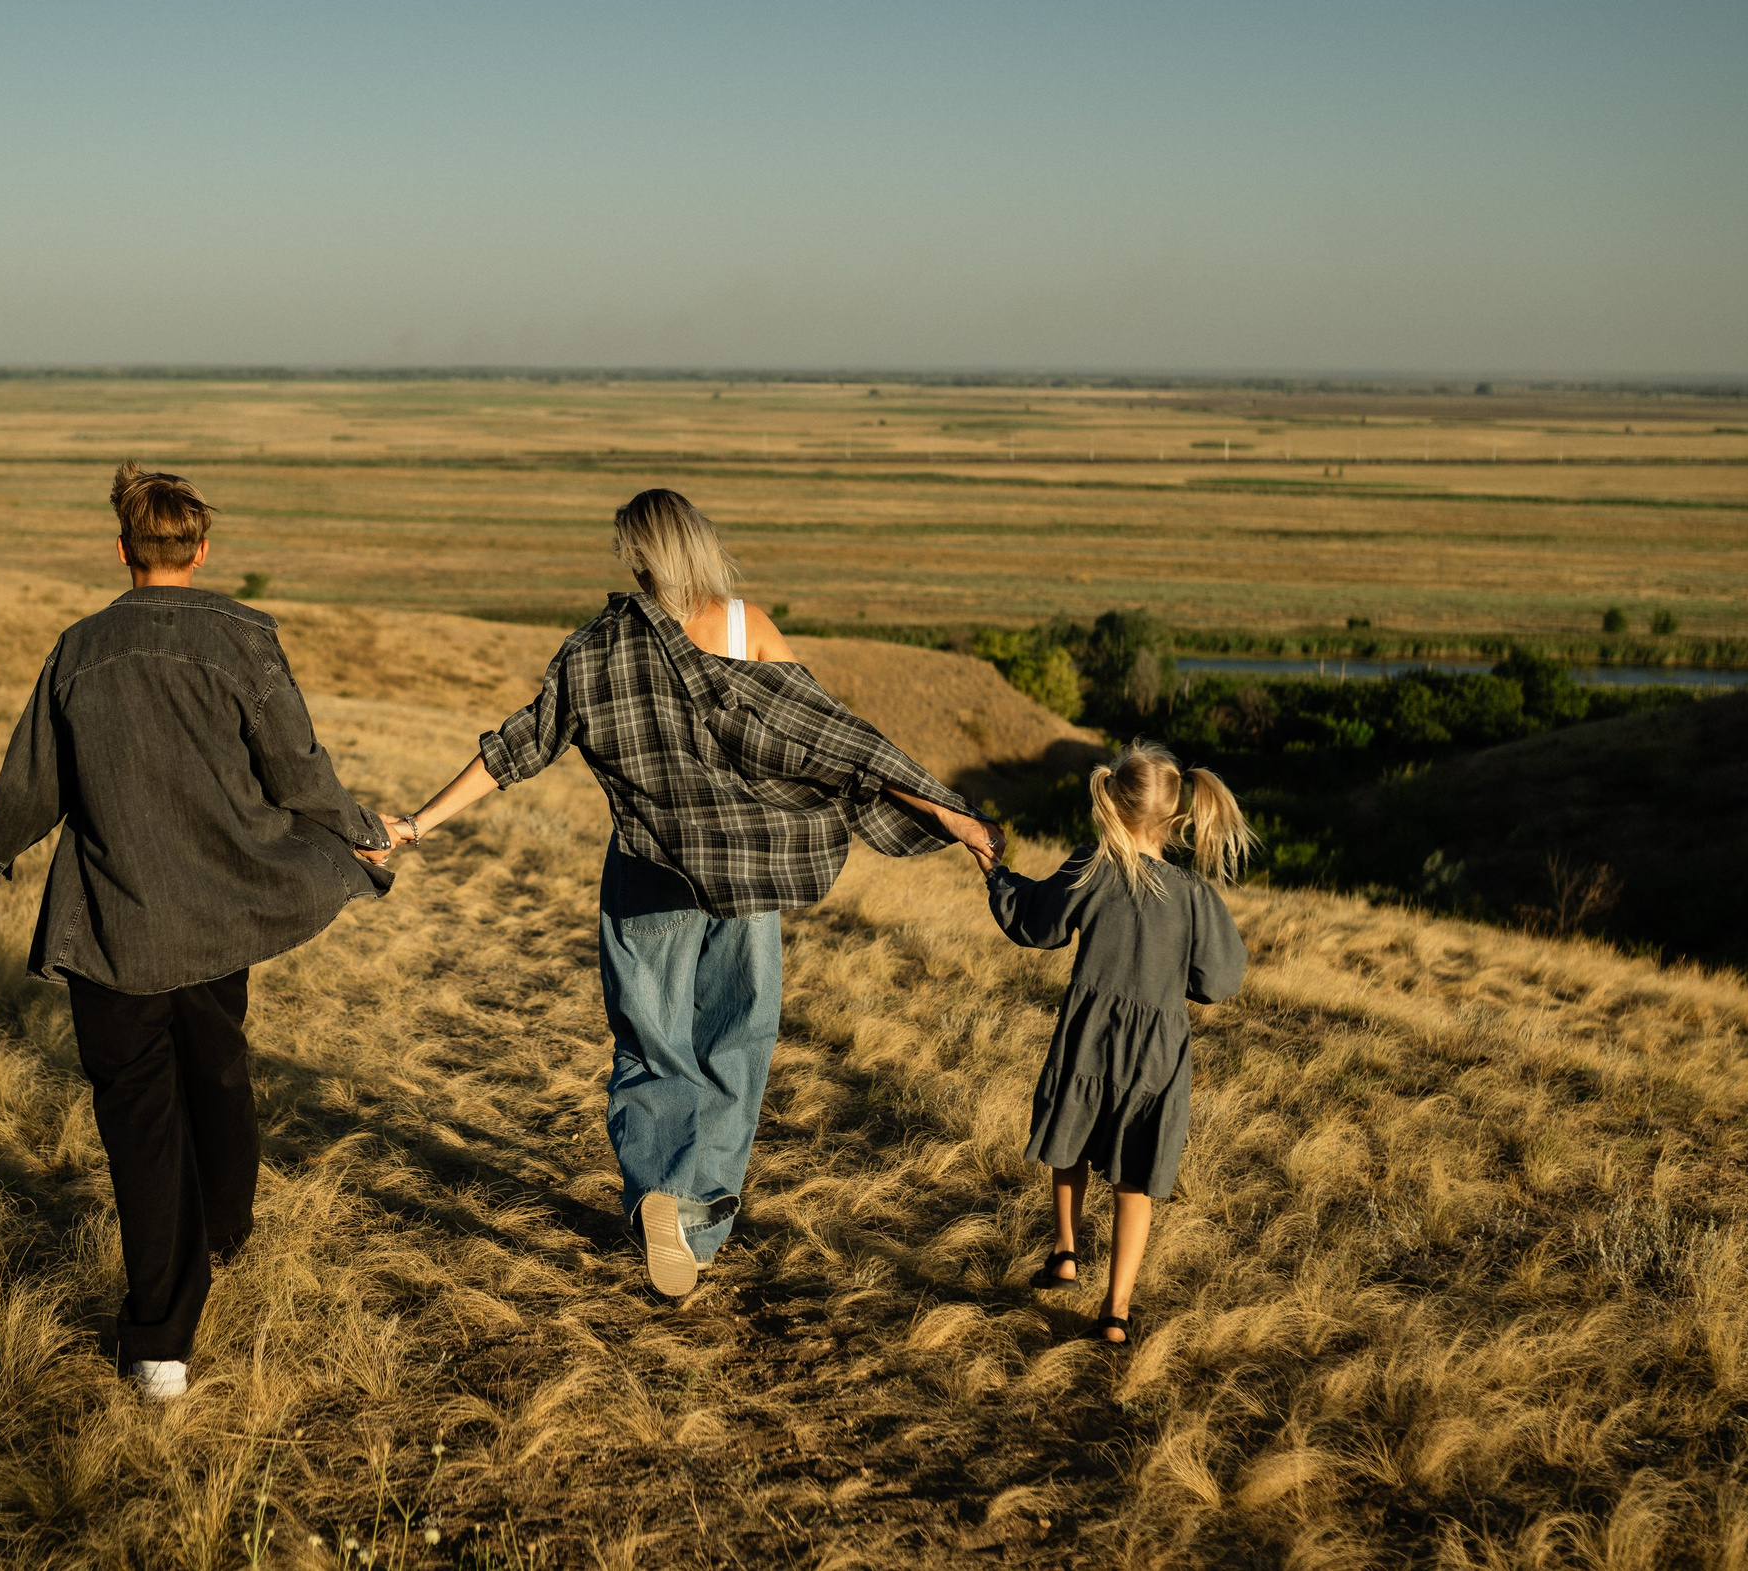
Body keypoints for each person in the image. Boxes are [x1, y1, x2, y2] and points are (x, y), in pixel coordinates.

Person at [396, 489, 1003, 1297]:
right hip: (746, 878)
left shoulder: (596, 649)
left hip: (646, 873)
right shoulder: (746, 629)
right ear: (700, 545)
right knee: (736, 1042)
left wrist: (419, 820)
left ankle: (656, 1188)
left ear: (637, 559)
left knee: (652, 1044)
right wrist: (953, 817)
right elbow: (837, 741)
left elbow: (519, 745)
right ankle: (695, 1222)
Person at [0, 461, 409, 1401]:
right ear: (202, 551)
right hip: (221, 909)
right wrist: (361, 826)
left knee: (140, 1120)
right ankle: (222, 1230)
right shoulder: (245, 637)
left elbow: (32, 787)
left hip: (114, 925)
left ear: (122, 550)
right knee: (217, 1068)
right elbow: (297, 771)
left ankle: (162, 1339)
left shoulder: (77, 651)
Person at [984, 742, 1251, 1344]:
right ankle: (1116, 1313)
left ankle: (1065, 1253)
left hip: (1089, 1037)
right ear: (1178, 815)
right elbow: (1221, 979)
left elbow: (1036, 923)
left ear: (1111, 799)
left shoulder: (1092, 867)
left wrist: (997, 873)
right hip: (1158, 1053)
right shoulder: (1193, 894)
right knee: (1138, 1177)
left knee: (1069, 1140)